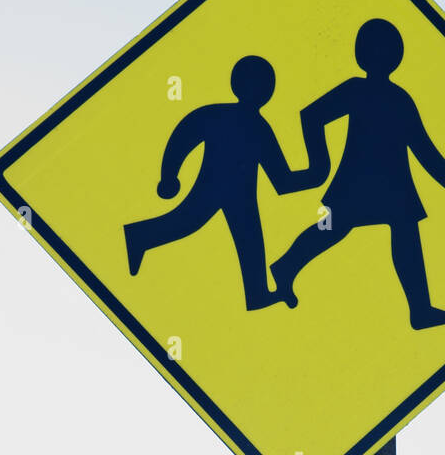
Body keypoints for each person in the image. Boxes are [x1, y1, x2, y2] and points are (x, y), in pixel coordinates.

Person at [270, 18, 445, 330]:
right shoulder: (358, 90)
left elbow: (421, 145)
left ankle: (420, 310)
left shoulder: (400, 98)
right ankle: (285, 267)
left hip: (391, 183)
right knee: (336, 228)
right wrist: (320, 164)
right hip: (360, 180)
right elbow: (311, 116)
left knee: (402, 232)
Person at [124, 55, 326, 311]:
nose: (263, 90)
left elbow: (281, 179)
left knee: (245, 237)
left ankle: (257, 293)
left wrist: (316, 175)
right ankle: (138, 236)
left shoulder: (252, 125)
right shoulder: (225, 117)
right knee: (189, 222)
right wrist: (168, 175)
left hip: (240, 195)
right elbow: (185, 134)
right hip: (216, 187)